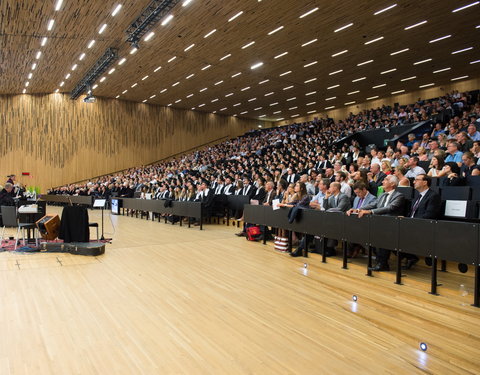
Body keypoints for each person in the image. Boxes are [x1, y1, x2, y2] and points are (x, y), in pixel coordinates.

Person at [357, 175, 406, 271]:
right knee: (368, 237)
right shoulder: (382, 195)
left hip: (391, 224)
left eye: (386, 180)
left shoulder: (399, 195)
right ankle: (381, 261)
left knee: (382, 237)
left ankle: (383, 263)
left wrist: (371, 212)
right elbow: (373, 205)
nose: (383, 182)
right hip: (379, 223)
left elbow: (390, 208)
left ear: (392, 184)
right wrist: (358, 209)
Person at [401, 174, 442, 269]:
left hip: (423, 227)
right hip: (411, 224)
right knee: (389, 232)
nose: (414, 182)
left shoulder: (433, 196)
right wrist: (405, 219)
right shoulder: (417, 196)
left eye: (417, 180)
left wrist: (410, 222)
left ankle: (411, 257)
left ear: (425, 182)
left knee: (396, 234)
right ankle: (411, 257)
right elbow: (412, 212)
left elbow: (429, 215)